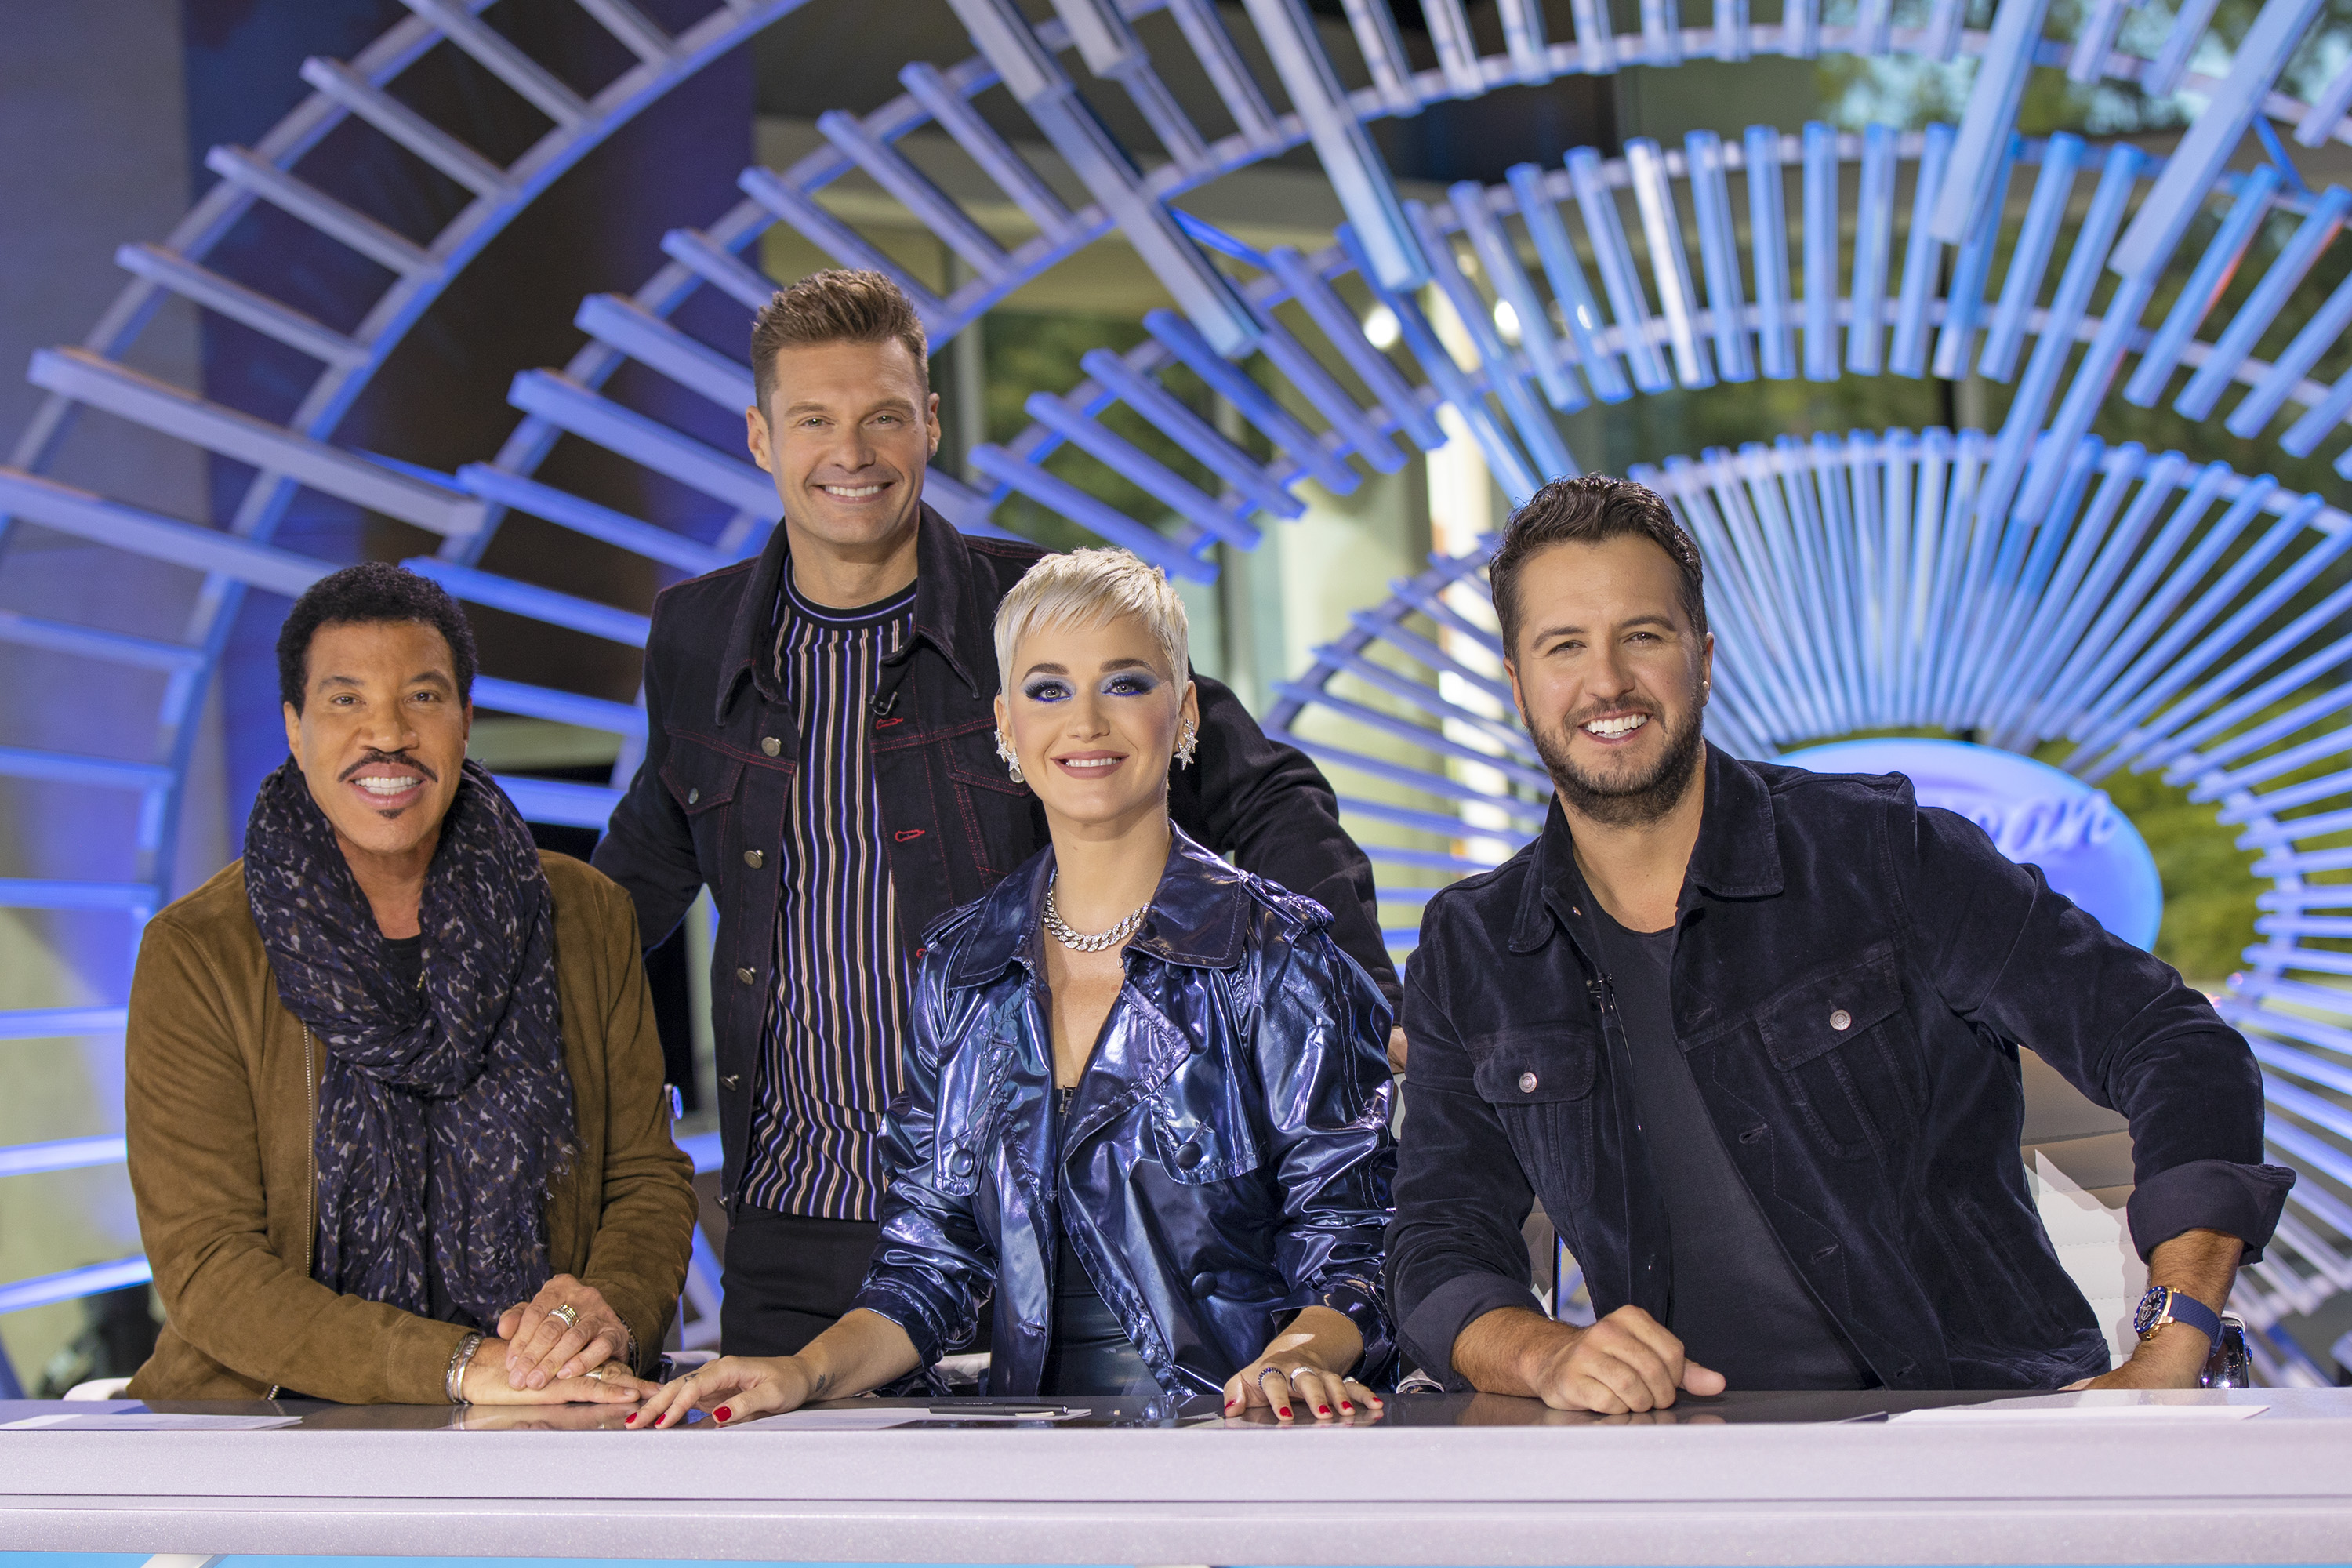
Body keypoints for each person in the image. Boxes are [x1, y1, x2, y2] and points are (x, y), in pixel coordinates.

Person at [592, 269, 1401, 1359]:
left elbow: (1262, 789)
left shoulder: (1035, 619)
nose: (853, 453)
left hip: (1005, 1214)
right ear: (759, 437)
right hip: (784, 1222)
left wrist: (1359, 986)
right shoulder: (694, 638)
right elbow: (631, 878)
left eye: (885, 416)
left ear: (929, 423)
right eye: (814, 421)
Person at [1387, 475, 2296, 1413]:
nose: (1607, 681)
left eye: (1643, 636)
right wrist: (1541, 1353)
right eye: (1564, 645)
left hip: (1980, 1438)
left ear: (1702, 658)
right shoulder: (1475, 946)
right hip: (1695, 1473)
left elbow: (2172, 1040)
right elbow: (1438, 1241)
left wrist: (2174, 1333)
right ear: (1516, 681)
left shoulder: (1887, 853)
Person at [630, 548, 1396, 1425]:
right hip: (1031, 1460)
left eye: (1125, 682)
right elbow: (929, 1260)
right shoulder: (962, 967)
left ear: (1182, 713)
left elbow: (1359, 1243)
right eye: (1047, 689)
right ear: (1004, 722)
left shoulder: (1281, 958)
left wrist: (1296, 1355)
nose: (1086, 722)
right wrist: (802, 1371)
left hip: (1243, 1445)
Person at [124, 564, 695, 1404]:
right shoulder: (199, 950)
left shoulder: (582, 912)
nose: (386, 734)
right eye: (345, 700)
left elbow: (645, 1178)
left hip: (546, 1401)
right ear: (294, 725)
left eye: (422, 698)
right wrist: (461, 1367)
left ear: (465, 719)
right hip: (272, 1420)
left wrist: (599, 1316)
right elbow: (209, 1262)